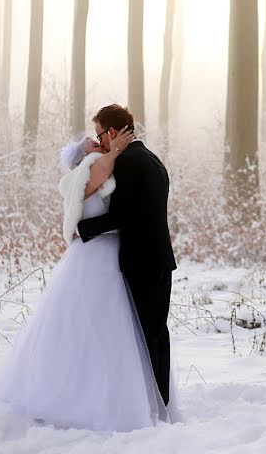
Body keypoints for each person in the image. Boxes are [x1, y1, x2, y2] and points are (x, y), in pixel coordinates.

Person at [0, 118, 176, 431]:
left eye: (99, 136)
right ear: (82, 155)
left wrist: (114, 151)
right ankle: (95, 397)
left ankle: (129, 395)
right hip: (99, 255)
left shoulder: (112, 165)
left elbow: (123, 208)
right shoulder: (94, 167)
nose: (96, 142)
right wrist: (113, 151)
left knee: (115, 331)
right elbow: (109, 188)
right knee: (103, 330)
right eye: (92, 142)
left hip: (114, 254)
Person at [77, 104, 178, 408]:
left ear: (111, 132)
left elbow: (122, 215)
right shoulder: (153, 159)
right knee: (158, 334)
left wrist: (81, 229)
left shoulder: (129, 163)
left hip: (141, 262)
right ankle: (162, 401)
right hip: (160, 258)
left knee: (145, 336)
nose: (100, 142)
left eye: (99, 134)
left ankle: (151, 404)